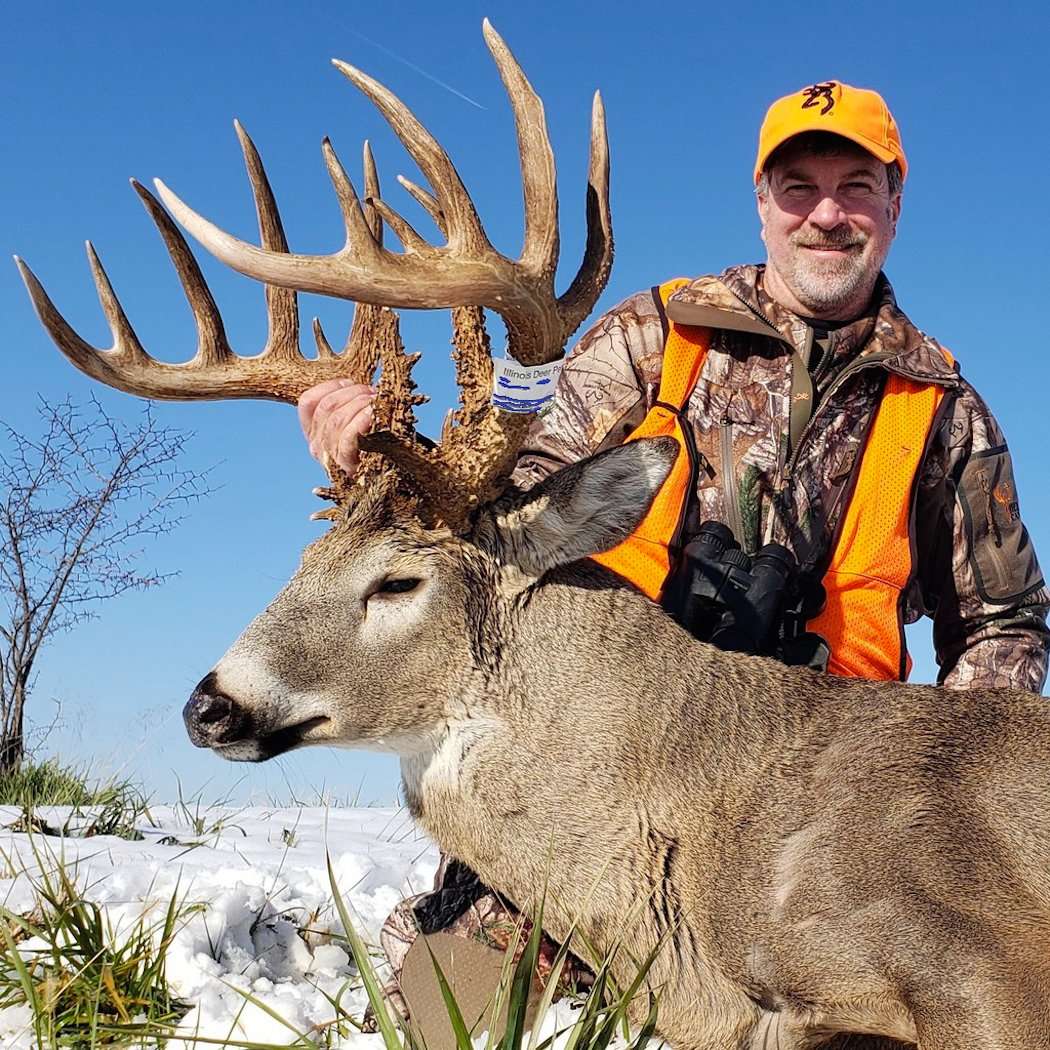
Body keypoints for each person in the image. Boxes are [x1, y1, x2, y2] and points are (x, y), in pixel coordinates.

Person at [297, 80, 1049, 1040]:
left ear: (894, 204)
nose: (827, 213)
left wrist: (958, 827)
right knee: (445, 1021)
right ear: (762, 202)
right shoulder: (651, 338)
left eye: (856, 186)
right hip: (608, 790)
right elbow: (495, 520)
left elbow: (1003, 621)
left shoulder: (946, 408)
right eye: (799, 186)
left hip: (830, 810)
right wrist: (379, 461)